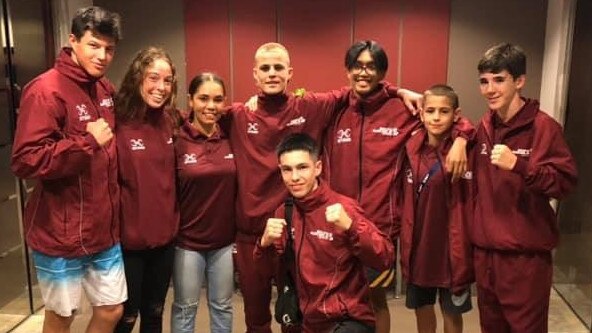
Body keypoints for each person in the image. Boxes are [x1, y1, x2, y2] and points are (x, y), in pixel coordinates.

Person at [229, 42, 421, 333]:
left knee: (297, 309)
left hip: (305, 226)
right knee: (258, 316)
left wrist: (399, 91)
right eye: (265, 69)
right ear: (254, 75)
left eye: (278, 67)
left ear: (289, 73)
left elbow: (361, 86)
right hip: (256, 231)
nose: (271, 73)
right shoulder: (239, 114)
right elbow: (198, 112)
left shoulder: (310, 106)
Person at [322, 40, 474, 333]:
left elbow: (446, 118)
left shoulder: (402, 110)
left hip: (380, 229)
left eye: (372, 66)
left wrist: (462, 138)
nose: (364, 72)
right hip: (338, 225)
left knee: (376, 299)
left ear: (382, 72)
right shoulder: (335, 110)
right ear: (348, 70)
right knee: (337, 296)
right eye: (358, 65)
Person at [10, 6, 124, 333]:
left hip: (103, 230)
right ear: (73, 40)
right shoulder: (45, 90)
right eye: (93, 45)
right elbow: (25, 160)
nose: (102, 55)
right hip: (59, 234)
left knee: (112, 310)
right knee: (62, 316)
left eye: (109, 49)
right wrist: (86, 143)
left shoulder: (103, 89)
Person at [471, 43, 577, 333]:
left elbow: (565, 184)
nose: (490, 89)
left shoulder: (544, 128)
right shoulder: (484, 127)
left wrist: (520, 165)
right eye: (484, 81)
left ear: (519, 81)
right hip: (487, 256)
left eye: (499, 79)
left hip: (525, 260)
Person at [257, 133, 395, 333]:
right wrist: (264, 244)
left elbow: (385, 257)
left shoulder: (343, 208)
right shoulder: (285, 212)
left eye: (302, 167)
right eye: (287, 170)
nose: (294, 177)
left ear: (318, 168)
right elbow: (265, 274)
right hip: (303, 319)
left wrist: (352, 226)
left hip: (345, 319)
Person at [396, 85, 473, 333]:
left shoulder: (465, 149)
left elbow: (475, 128)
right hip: (419, 248)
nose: (436, 117)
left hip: (453, 250)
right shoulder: (411, 148)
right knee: (423, 309)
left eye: (444, 111)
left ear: (456, 114)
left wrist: (462, 138)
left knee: (451, 312)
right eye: (430, 111)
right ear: (421, 114)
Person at [113, 47, 179, 333]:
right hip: (128, 244)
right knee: (125, 318)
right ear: (137, 77)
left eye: (167, 81)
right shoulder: (117, 120)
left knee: (154, 314)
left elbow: (210, 115)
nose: (161, 87)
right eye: (154, 78)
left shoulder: (171, 120)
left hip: (164, 241)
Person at [171, 73, 237, 333]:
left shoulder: (230, 134)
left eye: (218, 99)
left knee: (222, 306)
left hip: (222, 242)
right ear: (191, 100)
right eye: (204, 98)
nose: (211, 106)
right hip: (188, 243)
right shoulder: (177, 139)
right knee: (185, 308)